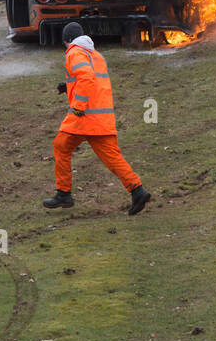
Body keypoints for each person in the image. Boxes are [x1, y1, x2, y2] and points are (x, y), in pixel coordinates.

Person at [44, 21, 151, 215]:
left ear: (66, 41)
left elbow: (86, 77)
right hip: (101, 119)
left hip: (83, 117)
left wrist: (77, 106)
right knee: (113, 158)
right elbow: (93, 80)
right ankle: (137, 190)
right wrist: (68, 87)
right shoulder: (96, 55)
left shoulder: (74, 52)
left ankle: (64, 193)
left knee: (61, 146)